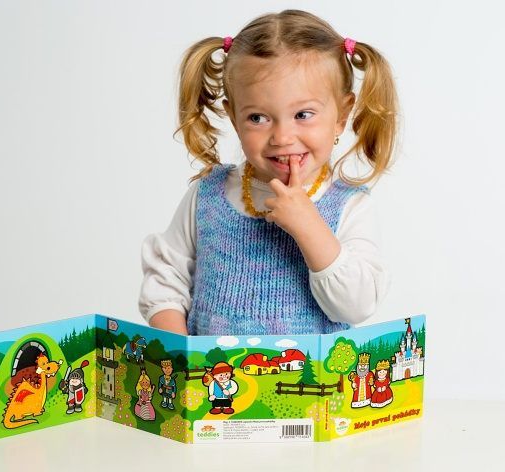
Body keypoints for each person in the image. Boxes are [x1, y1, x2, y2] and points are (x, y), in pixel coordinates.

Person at [139, 10, 396, 335]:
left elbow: (357, 305)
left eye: (303, 114)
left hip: (311, 369)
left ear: (341, 116)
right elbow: (165, 277)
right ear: (235, 118)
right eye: (258, 118)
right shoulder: (208, 196)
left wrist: (309, 226)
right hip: (209, 368)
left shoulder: (349, 206)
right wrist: (179, 348)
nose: (282, 137)